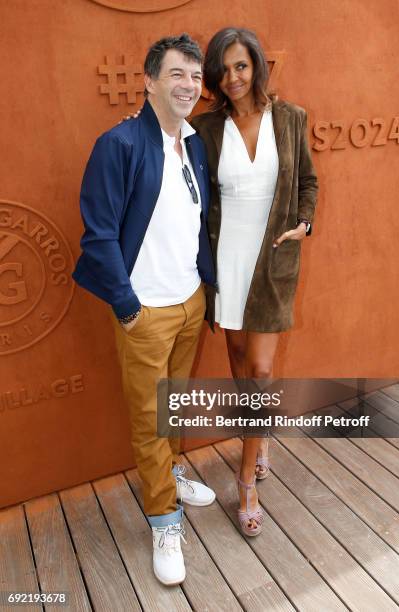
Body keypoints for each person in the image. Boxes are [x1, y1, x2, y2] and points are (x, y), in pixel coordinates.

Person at [72, 34, 217, 586]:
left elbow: (195, 222)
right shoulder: (121, 144)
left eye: (195, 77)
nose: (189, 85)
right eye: (177, 74)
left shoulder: (194, 143)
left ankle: (172, 475)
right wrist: (127, 307)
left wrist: (204, 288)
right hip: (146, 313)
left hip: (188, 302)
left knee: (172, 406)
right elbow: (99, 235)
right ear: (150, 81)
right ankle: (163, 518)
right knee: (150, 422)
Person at [190, 27, 318, 536]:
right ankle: (258, 438)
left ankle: (245, 479)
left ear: (257, 66)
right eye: (223, 69)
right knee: (240, 363)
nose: (233, 77)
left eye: (241, 65)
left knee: (261, 371)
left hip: (271, 259)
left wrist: (305, 223)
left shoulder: (290, 118)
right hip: (226, 259)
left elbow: (307, 180)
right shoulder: (205, 128)